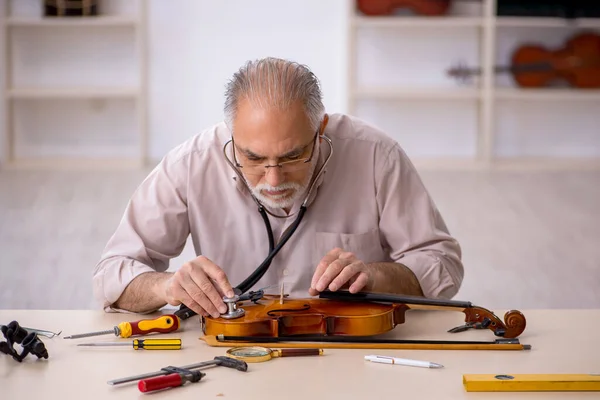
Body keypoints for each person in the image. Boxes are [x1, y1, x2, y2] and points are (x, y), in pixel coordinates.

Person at [93, 57, 464, 318]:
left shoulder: (376, 155)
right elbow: (111, 274)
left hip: (350, 353)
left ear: (321, 130)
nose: (273, 180)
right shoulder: (191, 162)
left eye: (293, 156)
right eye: (252, 158)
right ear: (231, 136)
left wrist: (375, 275)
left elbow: (442, 263)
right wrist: (168, 286)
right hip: (232, 354)